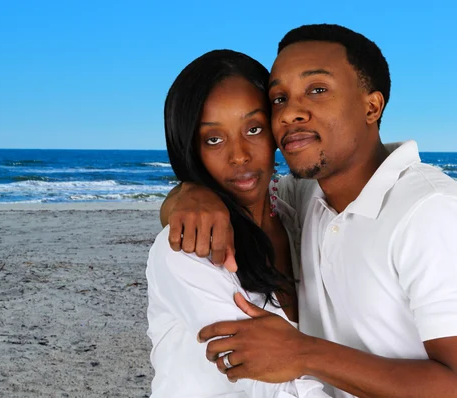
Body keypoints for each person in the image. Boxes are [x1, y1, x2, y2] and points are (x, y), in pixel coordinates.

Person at [161, 24, 457, 397]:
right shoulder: (306, 199)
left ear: (371, 105)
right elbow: (244, 190)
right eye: (279, 99)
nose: (290, 113)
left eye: (317, 90)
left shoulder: (430, 212)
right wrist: (190, 192)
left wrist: (305, 353)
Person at [146, 49, 329, 397]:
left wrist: (185, 192)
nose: (240, 155)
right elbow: (273, 382)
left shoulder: (296, 216)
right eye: (213, 139)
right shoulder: (187, 251)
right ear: (190, 147)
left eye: (254, 128)